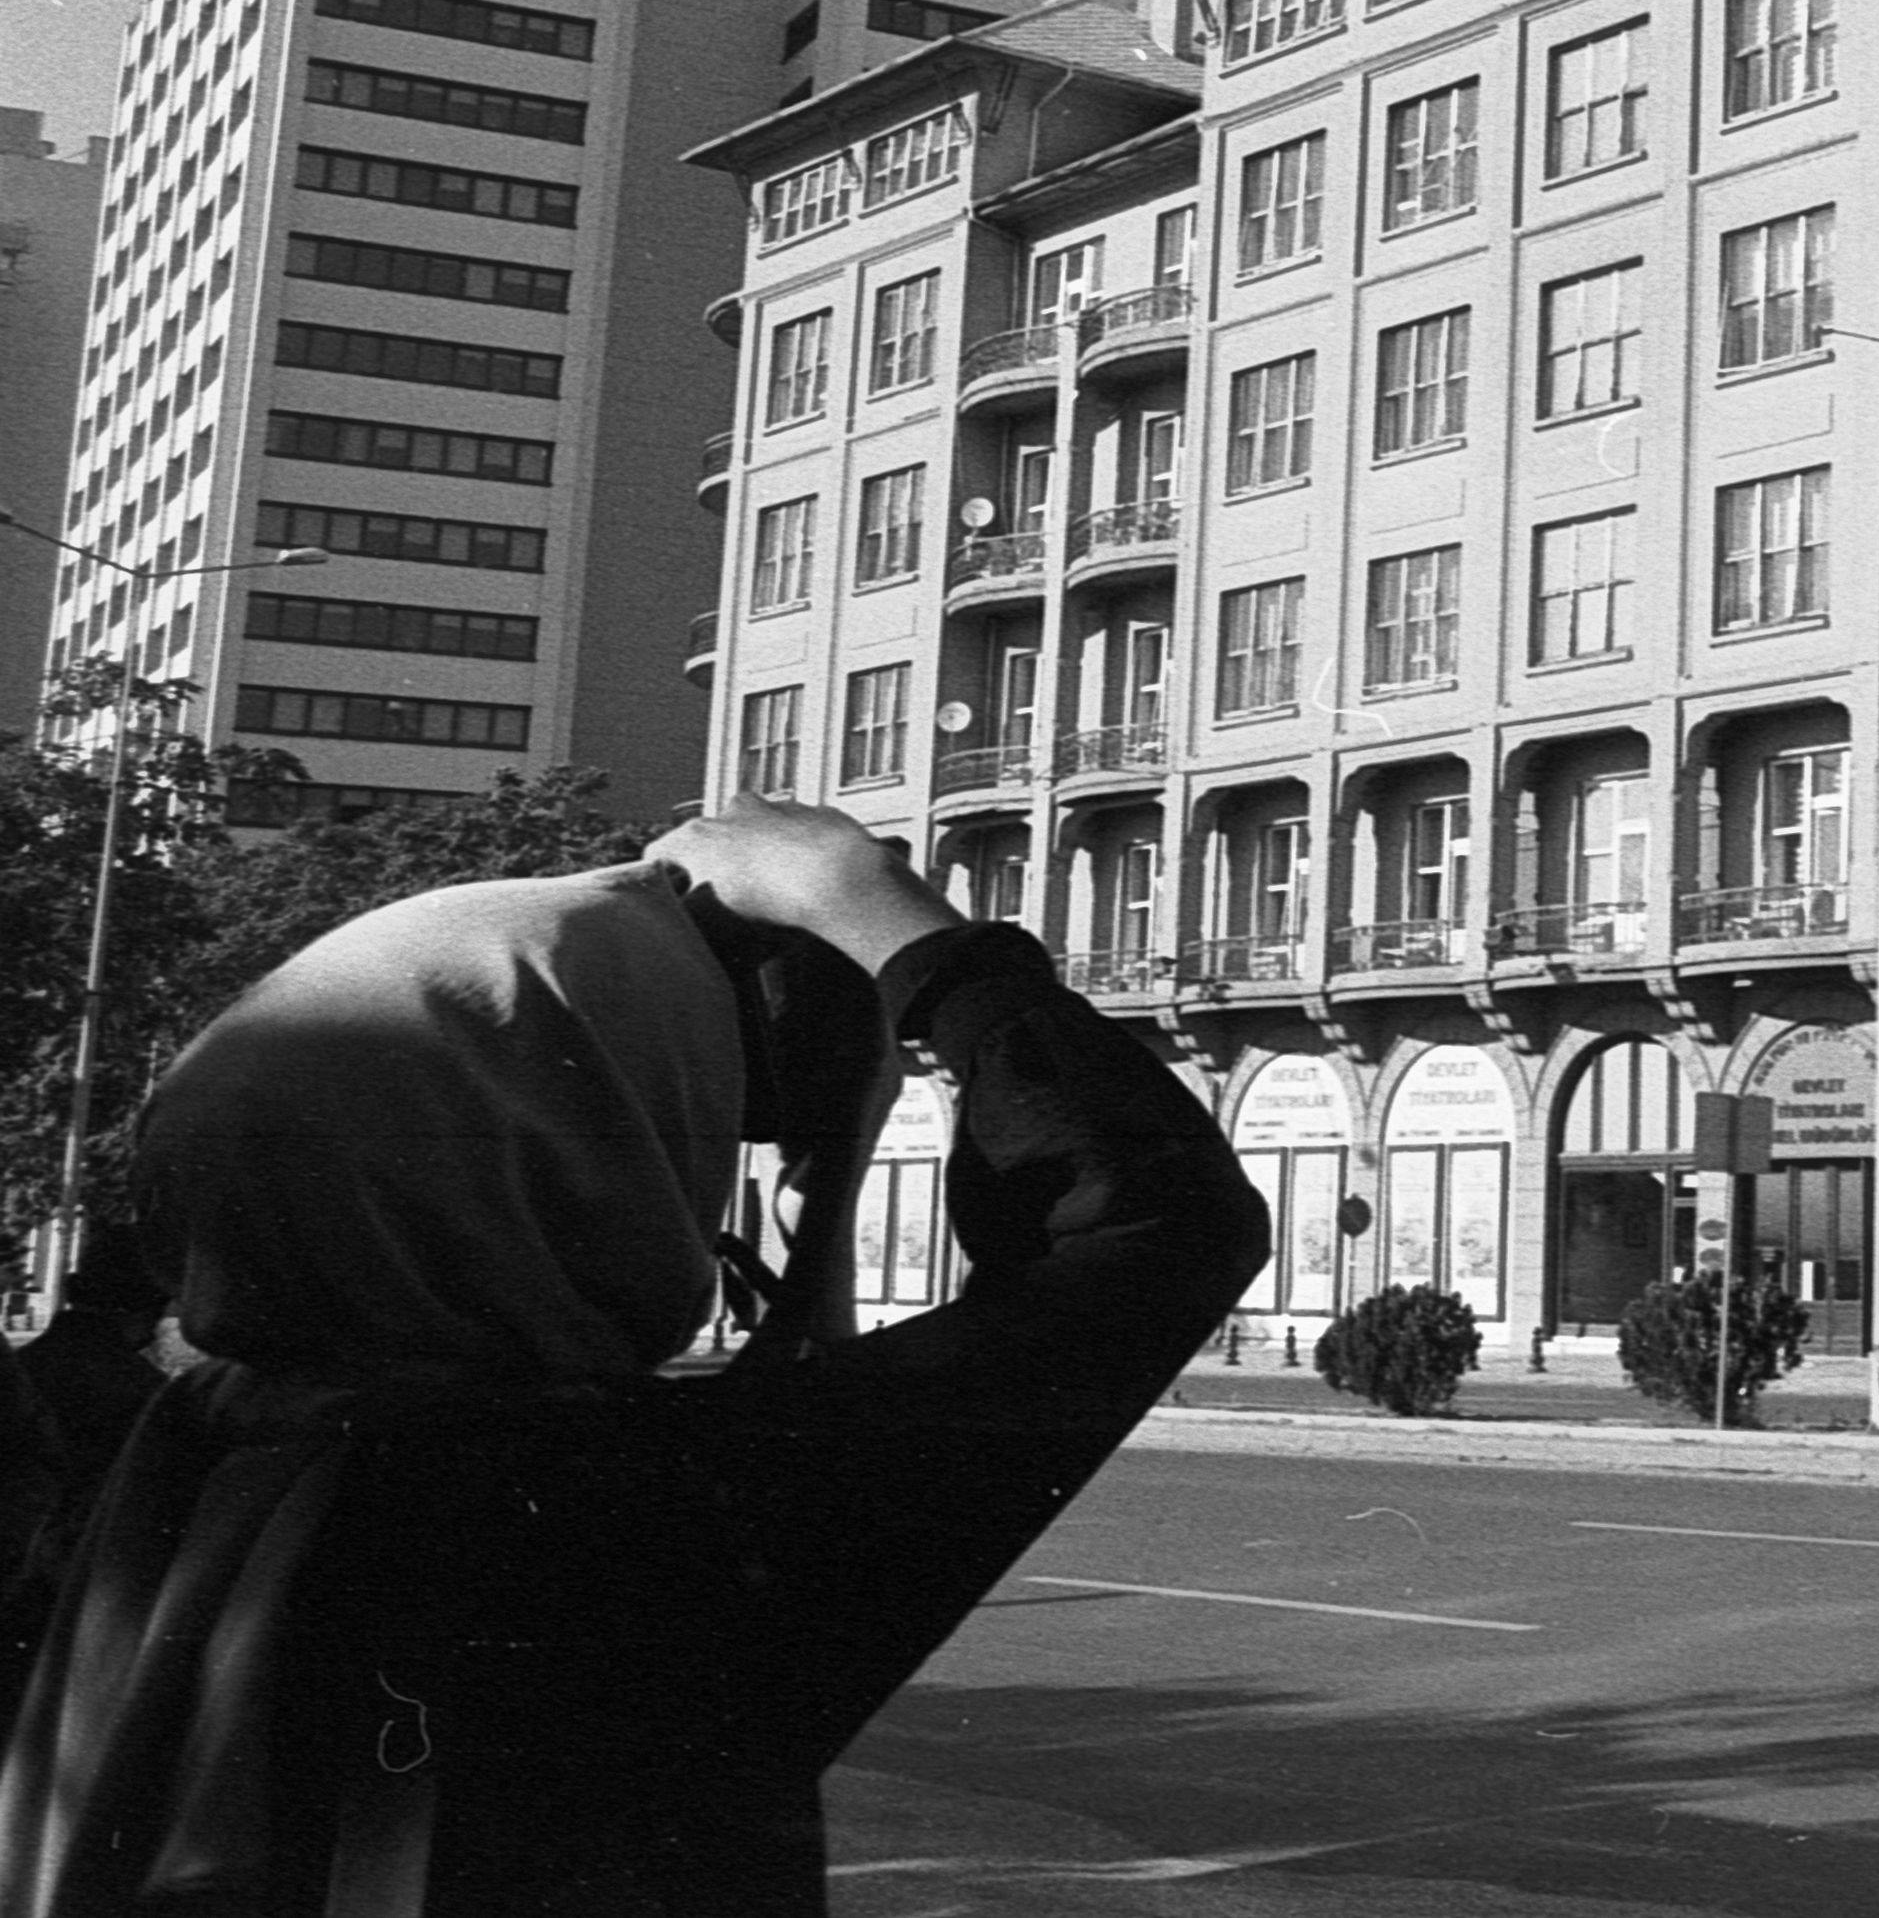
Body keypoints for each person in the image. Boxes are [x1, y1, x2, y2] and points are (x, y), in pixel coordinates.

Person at [0, 796, 1265, 1916]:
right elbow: (1158, 1226)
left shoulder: (136, 1471)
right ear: (583, 1165)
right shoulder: (612, 1513)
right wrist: (895, 929)